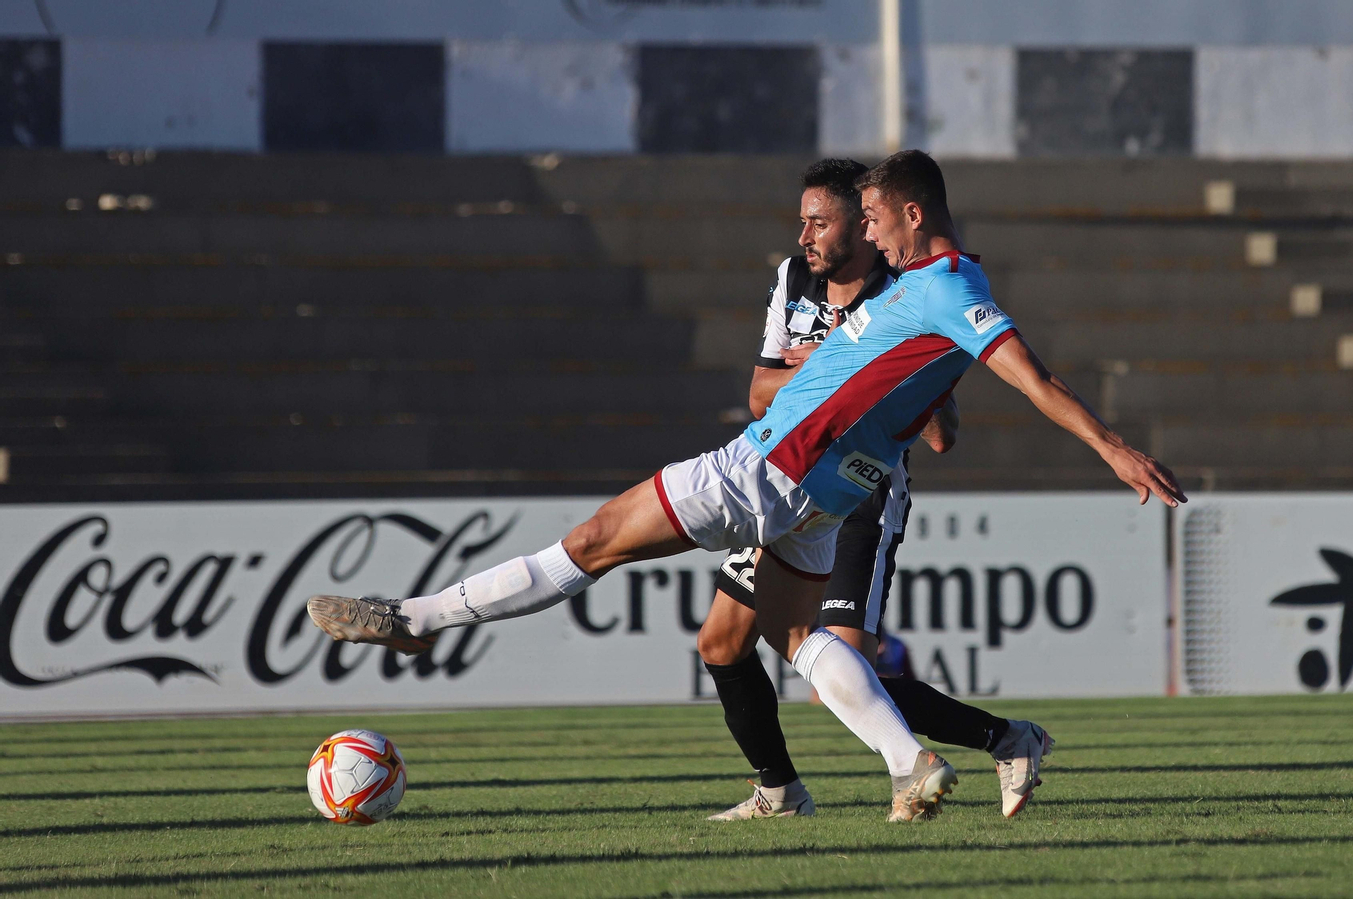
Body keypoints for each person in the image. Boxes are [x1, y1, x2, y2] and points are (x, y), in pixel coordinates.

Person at [307, 149, 1185, 824]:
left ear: (913, 214)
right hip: (826, 490)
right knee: (797, 634)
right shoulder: (919, 287)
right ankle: (908, 762)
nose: (871, 233)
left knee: (591, 543)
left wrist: (1112, 448)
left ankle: (418, 620)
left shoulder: (951, 289)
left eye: (876, 218)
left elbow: (1028, 377)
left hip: (770, 465)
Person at [698, 159, 1052, 822]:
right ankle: (778, 790)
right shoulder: (794, 278)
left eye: (821, 222)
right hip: (783, 477)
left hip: (860, 493)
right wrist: (835, 360)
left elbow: (941, 434)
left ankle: (1002, 739)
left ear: (864, 229)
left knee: (844, 664)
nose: (805, 236)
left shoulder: (910, 291)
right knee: (722, 640)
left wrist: (876, 372)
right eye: (803, 221)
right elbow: (757, 394)